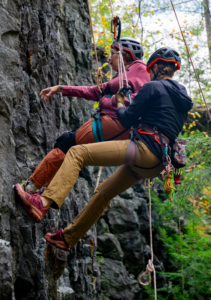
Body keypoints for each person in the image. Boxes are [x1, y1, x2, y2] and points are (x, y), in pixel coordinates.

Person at [14, 47, 193, 252]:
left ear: (156, 67)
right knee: (103, 192)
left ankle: (42, 202)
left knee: (77, 153)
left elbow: (126, 118)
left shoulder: (152, 88)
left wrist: (118, 101)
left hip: (144, 150)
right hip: (158, 164)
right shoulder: (183, 101)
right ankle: (68, 238)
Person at [22, 38, 150, 193]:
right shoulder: (126, 75)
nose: (109, 58)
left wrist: (107, 100)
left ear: (124, 55)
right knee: (70, 148)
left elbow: (133, 99)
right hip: (119, 129)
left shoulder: (140, 69)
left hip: (114, 122)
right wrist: (61, 88)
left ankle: (32, 187)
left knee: (66, 142)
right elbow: (94, 91)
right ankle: (43, 193)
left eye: (113, 53)